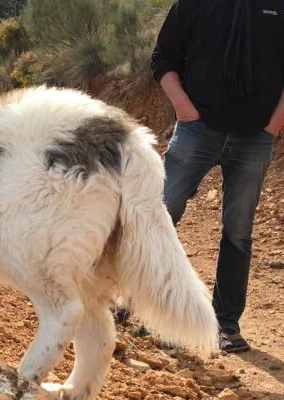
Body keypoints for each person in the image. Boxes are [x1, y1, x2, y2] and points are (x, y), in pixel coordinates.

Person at [151, 0, 284, 352]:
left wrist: (274, 125)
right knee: (160, 214)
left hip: (255, 138)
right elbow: (164, 56)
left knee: (238, 231)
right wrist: (183, 106)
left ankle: (224, 324)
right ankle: (136, 303)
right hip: (198, 130)